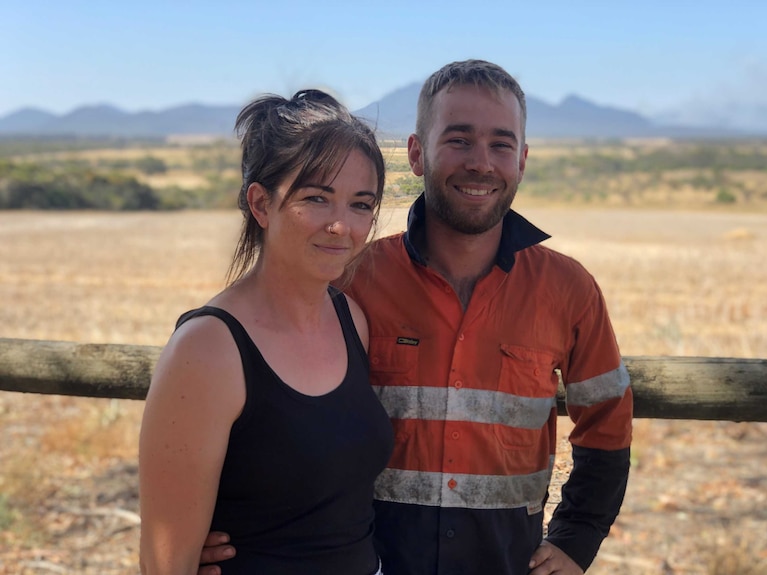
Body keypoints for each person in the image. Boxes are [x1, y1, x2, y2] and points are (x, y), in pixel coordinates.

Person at [199, 60, 633, 575]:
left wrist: (577, 538)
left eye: (501, 144)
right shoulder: (350, 279)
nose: (481, 162)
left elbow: (607, 421)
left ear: (522, 160)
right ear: (415, 154)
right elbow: (277, 411)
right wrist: (230, 528)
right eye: (458, 139)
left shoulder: (568, 289)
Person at [138, 89, 393, 575]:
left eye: (361, 204)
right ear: (261, 204)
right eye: (316, 198)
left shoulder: (351, 321)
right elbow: (163, 564)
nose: (342, 225)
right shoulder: (208, 350)